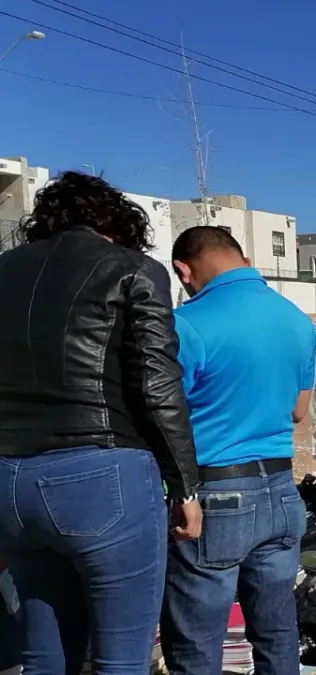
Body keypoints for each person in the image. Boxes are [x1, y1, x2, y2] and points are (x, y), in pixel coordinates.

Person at [0, 171, 202, 675]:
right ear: (118, 223)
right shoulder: (132, 268)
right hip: (100, 476)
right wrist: (185, 488)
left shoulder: (3, 269)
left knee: (42, 652)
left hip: (8, 480)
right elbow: (158, 387)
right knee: (121, 659)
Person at [160, 226, 316, 675]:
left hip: (213, 494)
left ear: (183, 270)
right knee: (276, 631)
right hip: (281, 491)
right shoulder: (295, 319)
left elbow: (164, 416)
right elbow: (298, 411)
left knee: (194, 642)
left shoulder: (186, 323)